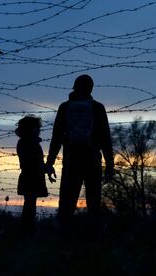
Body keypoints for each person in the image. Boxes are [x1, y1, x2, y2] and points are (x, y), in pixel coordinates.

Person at [46, 74, 114, 233]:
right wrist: (109, 163)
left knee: (67, 203)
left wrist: (49, 162)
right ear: (91, 89)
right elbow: (105, 138)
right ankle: (94, 237)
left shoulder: (65, 107)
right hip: (93, 159)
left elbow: (56, 137)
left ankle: (64, 236)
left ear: (74, 87)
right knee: (94, 201)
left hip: (71, 159)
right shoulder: (97, 107)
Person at [15, 115, 49, 236]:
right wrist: (45, 167)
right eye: (37, 127)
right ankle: (27, 231)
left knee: (30, 204)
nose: (39, 130)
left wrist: (46, 168)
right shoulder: (27, 143)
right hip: (31, 177)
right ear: (30, 129)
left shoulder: (28, 142)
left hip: (31, 176)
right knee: (29, 205)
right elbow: (32, 161)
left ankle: (27, 231)